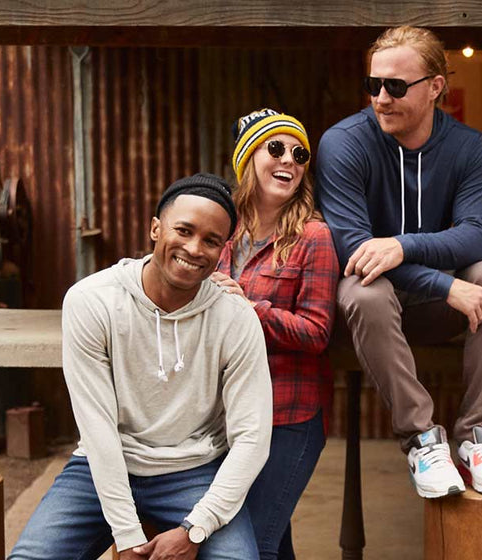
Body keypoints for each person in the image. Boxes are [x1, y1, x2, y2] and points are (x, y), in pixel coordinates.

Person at [11, 173, 271, 560]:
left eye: (211, 240)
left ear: (222, 249)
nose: (194, 248)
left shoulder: (235, 318)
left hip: (194, 470)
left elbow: (253, 439)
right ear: (155, 228)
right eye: (183, 230)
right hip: (103, 466)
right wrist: (129, 536)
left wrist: (195, 529)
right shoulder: (93, 301)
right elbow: (97, 426)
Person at [316, 25, 482, 498]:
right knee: (365, 286)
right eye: (373, 85)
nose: (381, 99)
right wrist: (444, 284)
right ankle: (423, 440)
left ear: (435, 87)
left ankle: (477, 438)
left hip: (432, 312)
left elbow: (478, 237)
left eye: (395, 86)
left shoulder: (468, 146)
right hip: (364, 316)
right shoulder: (343, 143)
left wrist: (403, 246)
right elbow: (354, 251)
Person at [211, 108, 339, 560]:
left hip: (288, 414)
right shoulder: (221, 230)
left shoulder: (313, 237)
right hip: (228, 412)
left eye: (300, 153)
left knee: (251, 545)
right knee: (269, 541)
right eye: (276, 147)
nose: (290, 159)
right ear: (247, 159)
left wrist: (250, 309)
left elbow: (318, 332)